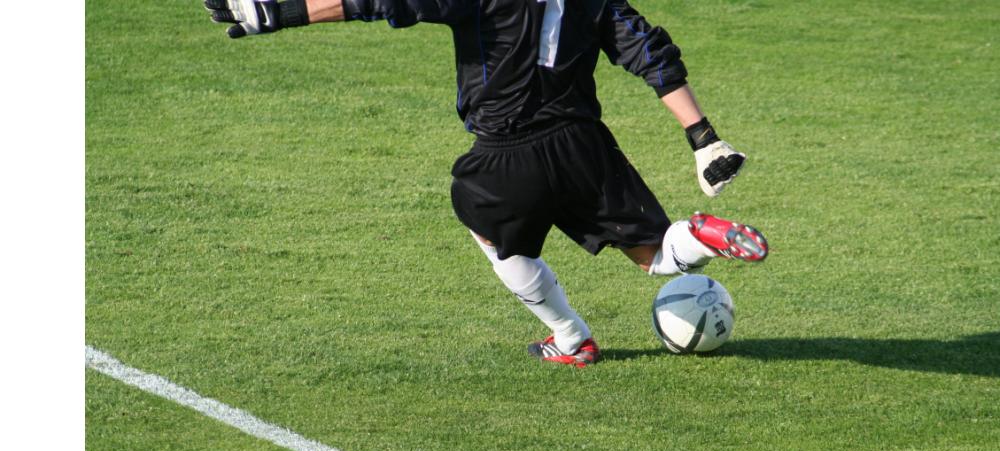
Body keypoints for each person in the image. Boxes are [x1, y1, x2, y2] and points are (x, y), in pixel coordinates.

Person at [204, 0, 769, 367]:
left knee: (493, 236)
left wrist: (280, 11)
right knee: (656, 256)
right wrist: (703, 138)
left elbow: (376, 1)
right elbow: (651, 53)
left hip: (507, 151)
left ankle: (572, 339)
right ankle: (699, 234)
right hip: (584, 146)